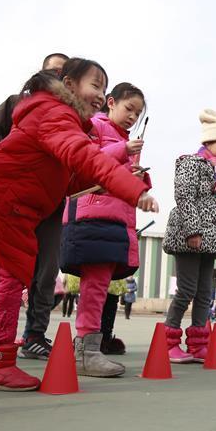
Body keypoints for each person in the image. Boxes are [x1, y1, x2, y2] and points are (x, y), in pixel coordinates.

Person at [0, 60, 158, 392]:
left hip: (0, 197)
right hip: (7, 202)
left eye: (103, 88)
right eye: (96, 86)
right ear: (69, 84)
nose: (100, 95)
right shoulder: (56, 114)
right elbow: (84, 157)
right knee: (11, 274)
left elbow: (72, 176)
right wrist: (133, 190)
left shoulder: (63, 117)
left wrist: (121, 182)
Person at [0, 52, 70, 362]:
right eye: (54, 71)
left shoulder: (73, 117)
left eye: (66, 73)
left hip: (47, 205)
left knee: (46, 269)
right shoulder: (16, 103)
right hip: (7, 201)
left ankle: (35, 334)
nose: (59, 77)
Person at [59, 81, 149, 375]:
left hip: (114, 219)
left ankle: (88, 348)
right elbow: (87, 164)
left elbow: (122, 181)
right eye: (129, 109)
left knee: (99, 287)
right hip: (93, 215)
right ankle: (86, 351)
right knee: (95, 287)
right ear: (110, 102)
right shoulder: (94, 127)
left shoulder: (126, 143)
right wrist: (123, 150)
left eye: (137, 113)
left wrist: (141, 180)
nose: (132, 117)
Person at [162, 109, 216, 363]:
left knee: (205, 293)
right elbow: (184, 196)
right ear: (208, 141)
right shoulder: (191, 163)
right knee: (186, 289)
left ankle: (197, 344)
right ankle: (169, 342)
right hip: (191, 233)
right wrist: (193, 230)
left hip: (212, 237)